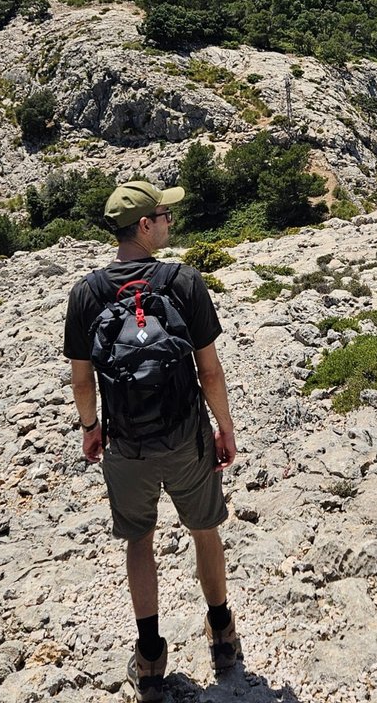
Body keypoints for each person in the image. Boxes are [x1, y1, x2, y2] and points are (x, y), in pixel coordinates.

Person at [64, 179, 242, 702]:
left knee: (139, 540)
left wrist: (91, 429)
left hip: (126, 444)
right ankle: (222, 633)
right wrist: (224, 427)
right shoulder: (183, 281)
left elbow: (82, 379)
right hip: (186, 436)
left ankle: (149, 658)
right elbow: (210, 371)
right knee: (204, 529)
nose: (170, 221)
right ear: (144, 225)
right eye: (164, 215)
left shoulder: (87, 293)